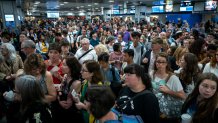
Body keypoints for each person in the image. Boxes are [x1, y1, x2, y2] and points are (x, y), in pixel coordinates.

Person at [150, 52, 186, 121]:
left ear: (167, 63)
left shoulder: (173, 78)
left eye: (163, 62)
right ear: (155, 62)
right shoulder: (152, 73)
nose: (160, 64)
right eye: (158, 62)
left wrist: (168, 91)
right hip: (154, 107)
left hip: (167, 111)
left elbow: (183, 96)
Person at [53, 56, 84, 123]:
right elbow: (62, 89)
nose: (61, 66)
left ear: (71, 67)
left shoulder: (76, 83)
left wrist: (58, 98)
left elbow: (67, 105)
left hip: (69, 114)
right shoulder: (66, 76)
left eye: (64, 65)